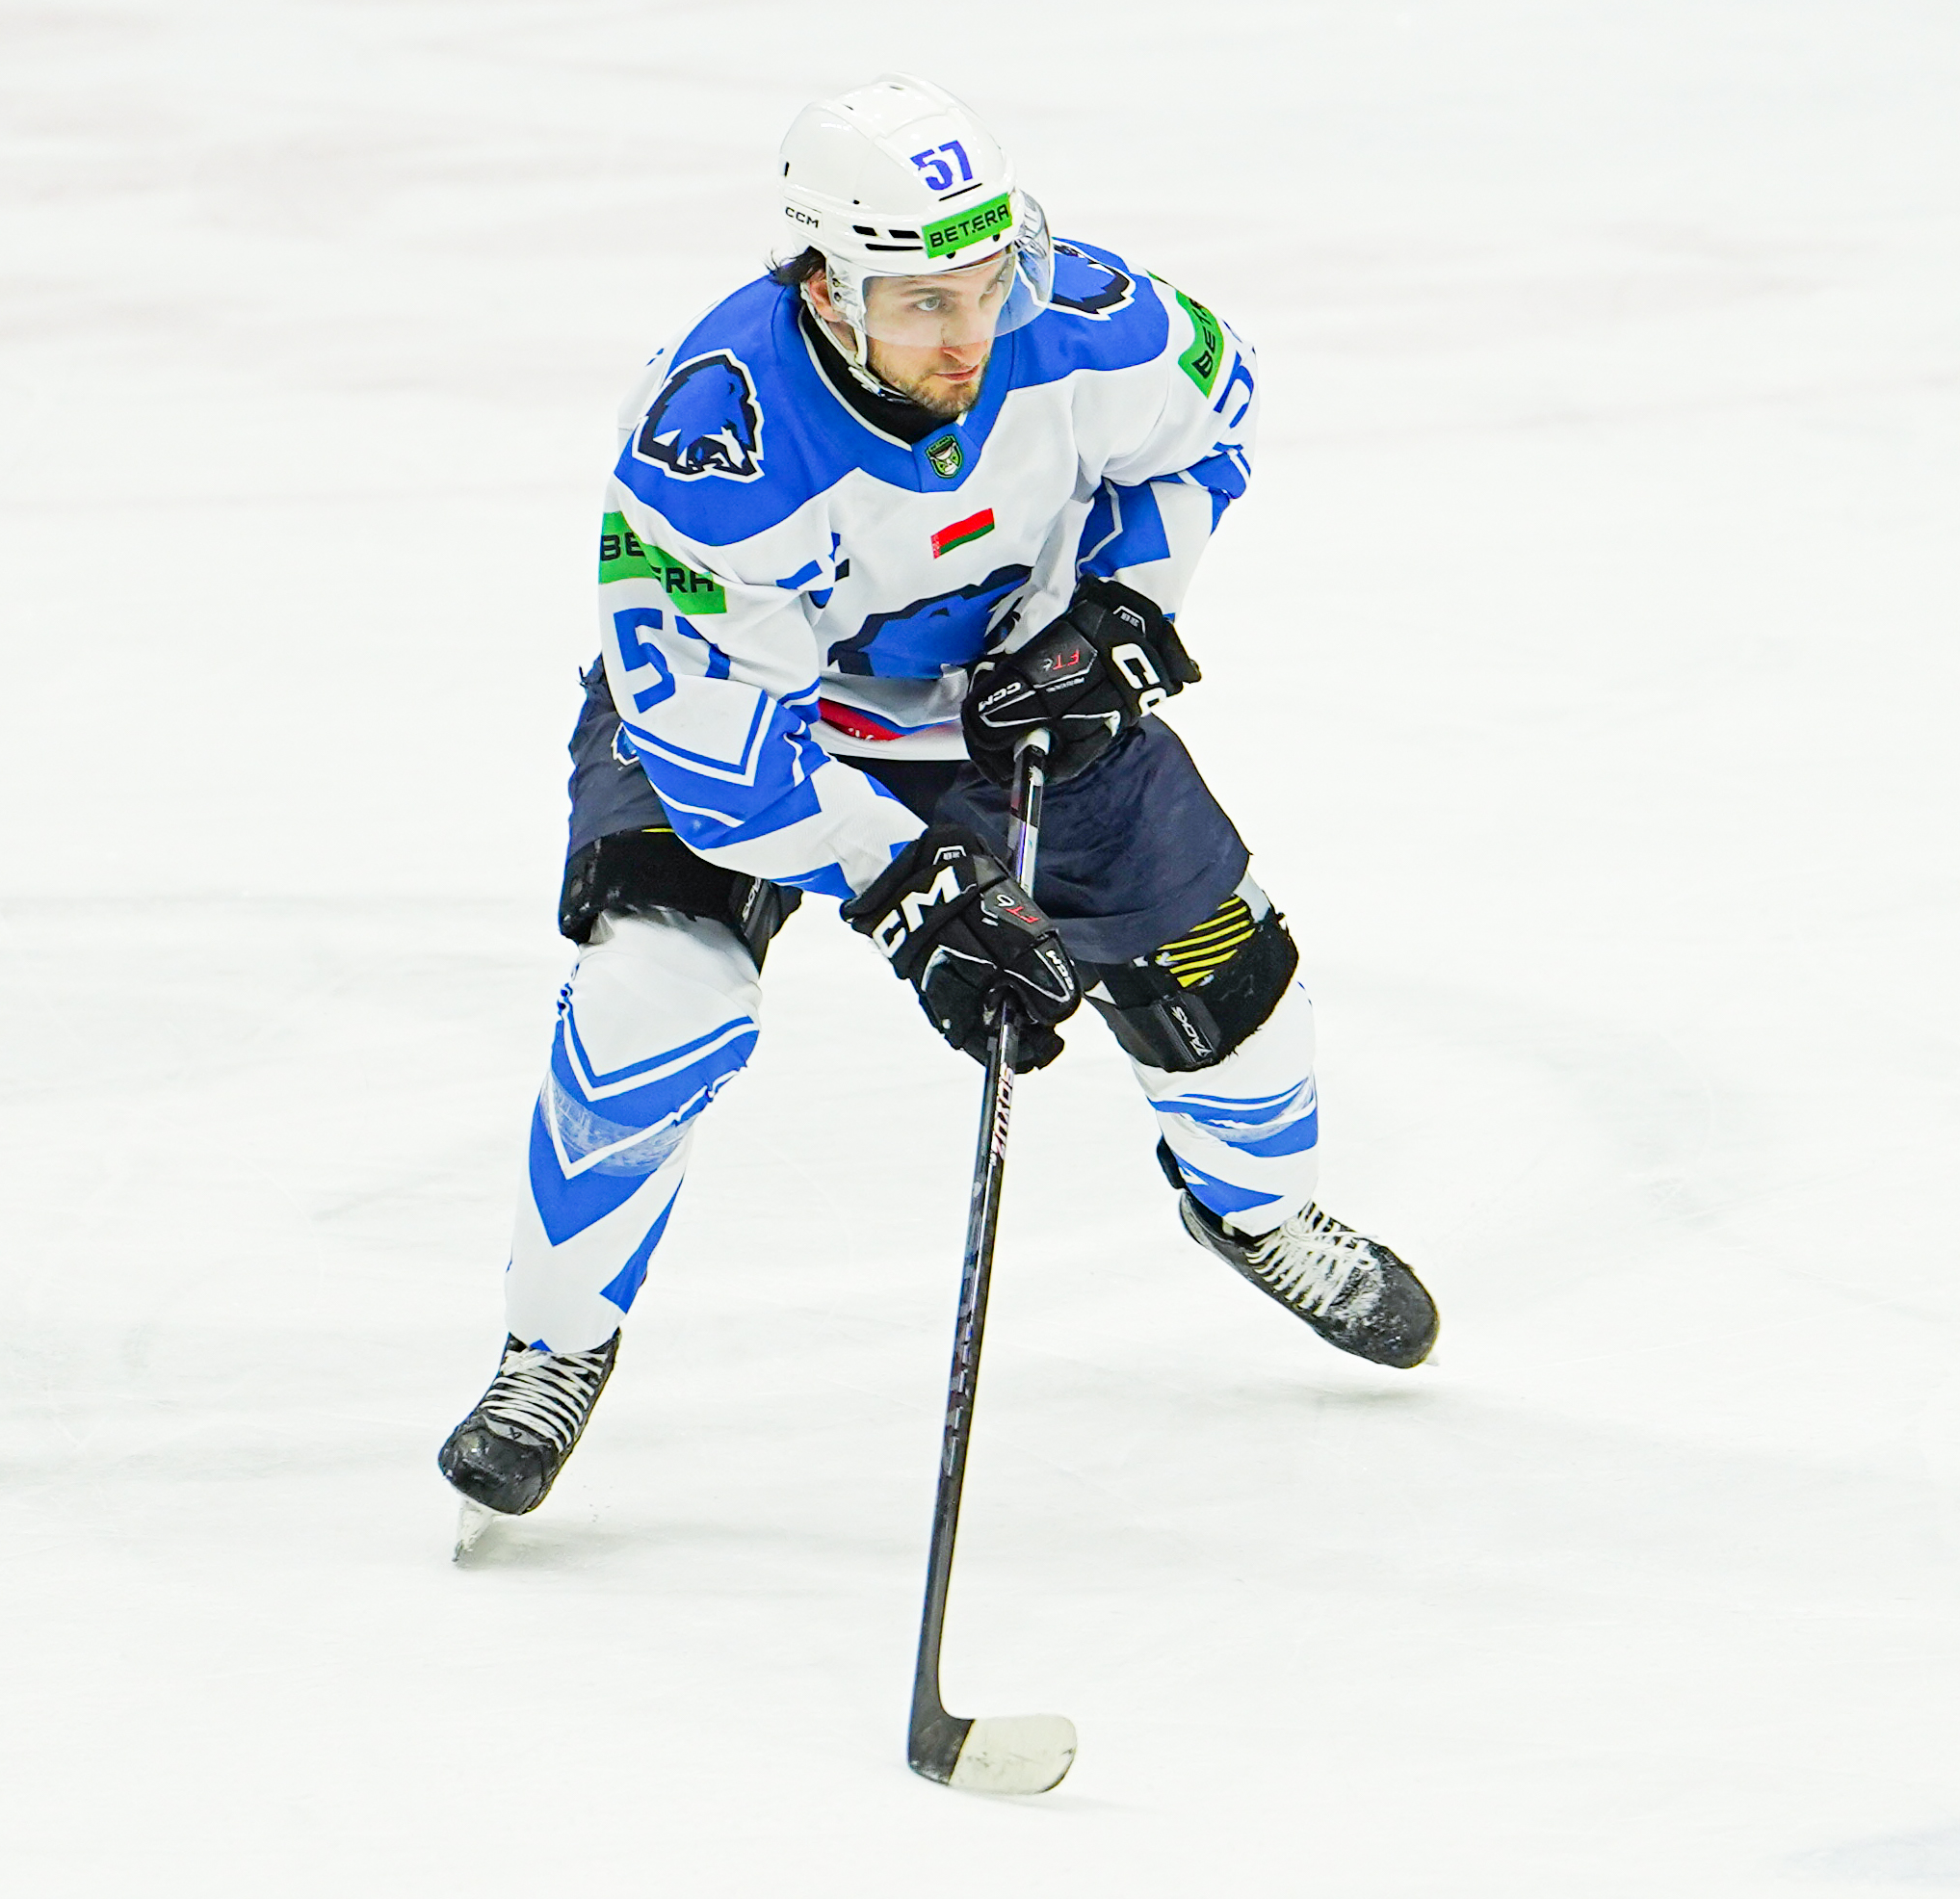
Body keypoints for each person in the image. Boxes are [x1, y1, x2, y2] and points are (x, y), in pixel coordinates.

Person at [438, 74, 1437, 1528]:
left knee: (1231, 985)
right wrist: (906, 886)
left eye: (986, 285)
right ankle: (554, 1341)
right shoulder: (717, 440)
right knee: (657, 994)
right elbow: (712, 750)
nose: (970, 333)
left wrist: (1122, 609)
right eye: (921, 304)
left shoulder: (1082, 320)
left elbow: (1205, 427)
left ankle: (1255, 1208)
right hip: (763, 726)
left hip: (1011, 699)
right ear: (823, 287)